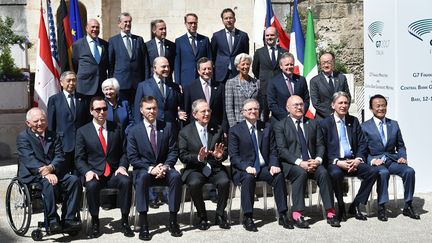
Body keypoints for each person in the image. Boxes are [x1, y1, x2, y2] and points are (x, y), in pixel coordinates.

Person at [273, 95, 340, 228]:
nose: (299, 107)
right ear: (288, 108)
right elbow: (282, 150)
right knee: (300, 173)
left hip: (312, 162)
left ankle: (330, 212)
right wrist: (300, 162)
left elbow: (321, 145)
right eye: (295, 105)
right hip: (292, 164)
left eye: (301, 104)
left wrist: (318, 160)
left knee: (324, 173)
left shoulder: (313, 123)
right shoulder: (280, 125)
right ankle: (297, 214)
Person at [228, 99, 292, 232]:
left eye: (255, 109)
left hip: (263, 167)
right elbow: (234, 156)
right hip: (244, 169)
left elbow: (274, 150)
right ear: (243, 113)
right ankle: (248, 216)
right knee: (248, 178)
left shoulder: (267, 127)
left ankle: (283, 214)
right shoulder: (235, 130)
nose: (253, 111)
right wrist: (246, 167)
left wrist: (274, 164)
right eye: (249, 109)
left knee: (278, 176)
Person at [75, 97, 133, 238]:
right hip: (94, 173)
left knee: (126, 181)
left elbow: (125, 152)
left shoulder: (117, 127)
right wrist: (87, 172)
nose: (102, 112)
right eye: (98, 109)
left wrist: (122, 166)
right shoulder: (83, 131)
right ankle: (95, 222)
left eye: (104, 109)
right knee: (92, 186)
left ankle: (125, 221)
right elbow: (79, 158)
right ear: (91, 111)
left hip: (113, 171)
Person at [17, 108, 82, 233]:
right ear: (28, 123)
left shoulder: (54, 135)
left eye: (42, 120)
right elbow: (29, 158)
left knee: (74, 180)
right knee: (48, 183)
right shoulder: (23, 137)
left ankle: (68, 219)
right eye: (36, 121)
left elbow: (60, 156)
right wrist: (45, 173)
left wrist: (51, 168)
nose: (40, 123)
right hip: (33, 175)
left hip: (54, 171)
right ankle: (52, 220)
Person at [127, 96, 183, 240]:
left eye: (154, 108)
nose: (152, 111)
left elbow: (173, 151)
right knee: (142, 178)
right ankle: (144, 223)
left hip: (164, 168)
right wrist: (150, 168)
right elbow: (133, 158)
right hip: (144, 170)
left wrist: (165, 166)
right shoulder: (134, 131)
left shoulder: (168, 127)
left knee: (176, 177)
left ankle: (173, 220)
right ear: (141, 110)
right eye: (148, 108)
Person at [319, 91, 378, 221]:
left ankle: (356, 204)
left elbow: (362, 143)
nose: (344, 105)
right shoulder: (325, 123)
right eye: (340, 103)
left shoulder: (354, 121)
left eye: (346, 103)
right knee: (335, 174)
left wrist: (358, 159)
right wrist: (336, 161)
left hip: (353, 160)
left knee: (373, 172)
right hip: (335, 162)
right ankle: (340, 205)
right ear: (333, 105)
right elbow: (322, 147)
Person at [362, 94, 419, 220]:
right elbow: (362, 150)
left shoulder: (394, 124)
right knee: (383, 173)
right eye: (378, 106)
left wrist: (402, 156)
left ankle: (408, 205)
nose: (381, 108)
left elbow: (401, 146)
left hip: (392, 160)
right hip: (377, 162)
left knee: (409, 171)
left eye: (383, 105)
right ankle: (381, 207)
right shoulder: (365, 126)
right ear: (371, 109)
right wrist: (372, 160)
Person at [178, 99, 231, 230]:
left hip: (214, 167)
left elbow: (224, 152)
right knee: (194, 183)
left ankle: (220, 215)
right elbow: (182, 156)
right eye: (203, 111)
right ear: (195, 114)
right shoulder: (185, 132)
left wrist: (220, 156)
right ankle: (202, 216)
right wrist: (198, 157)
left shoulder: (217, 129)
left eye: (208, 111)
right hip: (195, 168)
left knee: (224, 181)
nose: (207, 113)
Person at [47, 71, 91, 174]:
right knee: (63, 174)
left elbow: (87, 122)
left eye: (74, 80)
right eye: (69, 80)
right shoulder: (54, 100)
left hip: (80, 144)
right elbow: (51, 124)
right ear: (61, 83)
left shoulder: (84, 99)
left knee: (80, 173)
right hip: (62, 144)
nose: (72, 83)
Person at [108, 12, 150, 103]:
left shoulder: (139, 40)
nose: (128, 24)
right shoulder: (113, 41)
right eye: (125, 21)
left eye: (129, 21)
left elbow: (145, 62)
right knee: (123, 110)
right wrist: (111, 82)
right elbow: (110, 64)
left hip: (137, 83)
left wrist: (146, 81)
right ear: (119, 24)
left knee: (137, 108)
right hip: (120, 83)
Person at [133, 57, 185, 126]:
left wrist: (179, 113)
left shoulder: (175, 87)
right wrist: (139, 129)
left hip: (171, 128)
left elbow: (180, 106)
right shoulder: (143, 86)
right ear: (154, 68)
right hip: (151, 126)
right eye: (163, 67)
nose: (167, 69)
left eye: (168, 66)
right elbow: (137, 111)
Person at [252, 26, 287, 122]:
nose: (269, 37)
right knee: (264, 116)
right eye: (267, 35)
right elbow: (255, 70)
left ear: (277, 36)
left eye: (272, 35)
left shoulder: (283, 52)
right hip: (264, 89)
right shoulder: (259, 52)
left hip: (280, 88)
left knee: (280, 113)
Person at [183, 57, 226, 130]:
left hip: (216, 129)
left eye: (209, 68)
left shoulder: (220, 87)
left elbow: (224, 110)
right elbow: (186, 110)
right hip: (196, 129)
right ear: (199, 71)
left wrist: (224, 129)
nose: (207, 71)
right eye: (204, 69)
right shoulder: (190, 87)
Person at [267, 52, 310, 123]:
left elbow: (306, 100)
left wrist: (299, 114)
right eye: (287, 65)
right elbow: (272, 104)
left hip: (299, 120)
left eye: (291, 64)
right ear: (281, 66)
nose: (289, 67)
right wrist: (288, 117)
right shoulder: (273, 82)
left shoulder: (301, 80)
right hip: (281, 121)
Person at [211, 8, 249, 83]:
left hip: (237, 71)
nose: (228, 20)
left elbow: (245, 55)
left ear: (234, 19)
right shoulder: (216, 36)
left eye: (230, 18)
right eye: (226, 18)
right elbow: (213, 54)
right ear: (222, 20)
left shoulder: (243, 35)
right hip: (221, 73)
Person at [72, 19, 109, 97]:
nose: (95, 29)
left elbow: (106, 64)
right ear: (86, 28)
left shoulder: (105, 44)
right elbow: (75, 64)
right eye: (93, 27)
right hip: (85, 87)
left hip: (101, 86)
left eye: (97, 27)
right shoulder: (78, 44)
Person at [174, 13, 212, 88]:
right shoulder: (179, 41)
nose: (193, 25)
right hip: (186, 80)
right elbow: (177, 64)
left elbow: (210, 59)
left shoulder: (205, 40)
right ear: (185, 24)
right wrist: (177, 83)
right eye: (190, 23)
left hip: (203, 78)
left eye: (195, 23)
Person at [310, 52, 351, 120]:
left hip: (342, 117)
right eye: (323, 63)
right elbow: (316, 103)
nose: (326, 65)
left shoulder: (341, 78)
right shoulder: (314, 81)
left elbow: (348, 97)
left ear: (334, 62)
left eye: (329, 62)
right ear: (320, 65)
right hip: (323, 119)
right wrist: (333, 115)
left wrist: (341, 112)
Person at [225, 53, 260, 128]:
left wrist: (260, 121)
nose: (246, 67)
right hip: (239, 123)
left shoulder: (257, 82)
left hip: (255, 122)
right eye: (243, 64)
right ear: (237, 67)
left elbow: (261, 105)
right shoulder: (231, 83)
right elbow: (229, 108)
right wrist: (234, 127)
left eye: (248, 64)